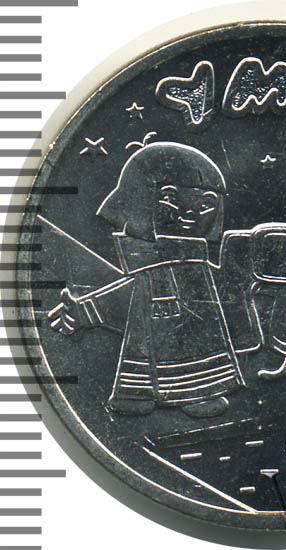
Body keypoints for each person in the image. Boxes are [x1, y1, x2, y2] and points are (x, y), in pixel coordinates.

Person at [48, 142, 245, 417]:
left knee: (171, 350)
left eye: (207, 203)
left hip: (194, 332)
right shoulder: (153, 261)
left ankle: (192, 392)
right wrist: (85, 311)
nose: (191, 213)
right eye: (169, 197)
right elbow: (128, 294)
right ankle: (139, 394)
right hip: (159, 325)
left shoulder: (195, 263)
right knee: (140, 350)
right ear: (142, 201)